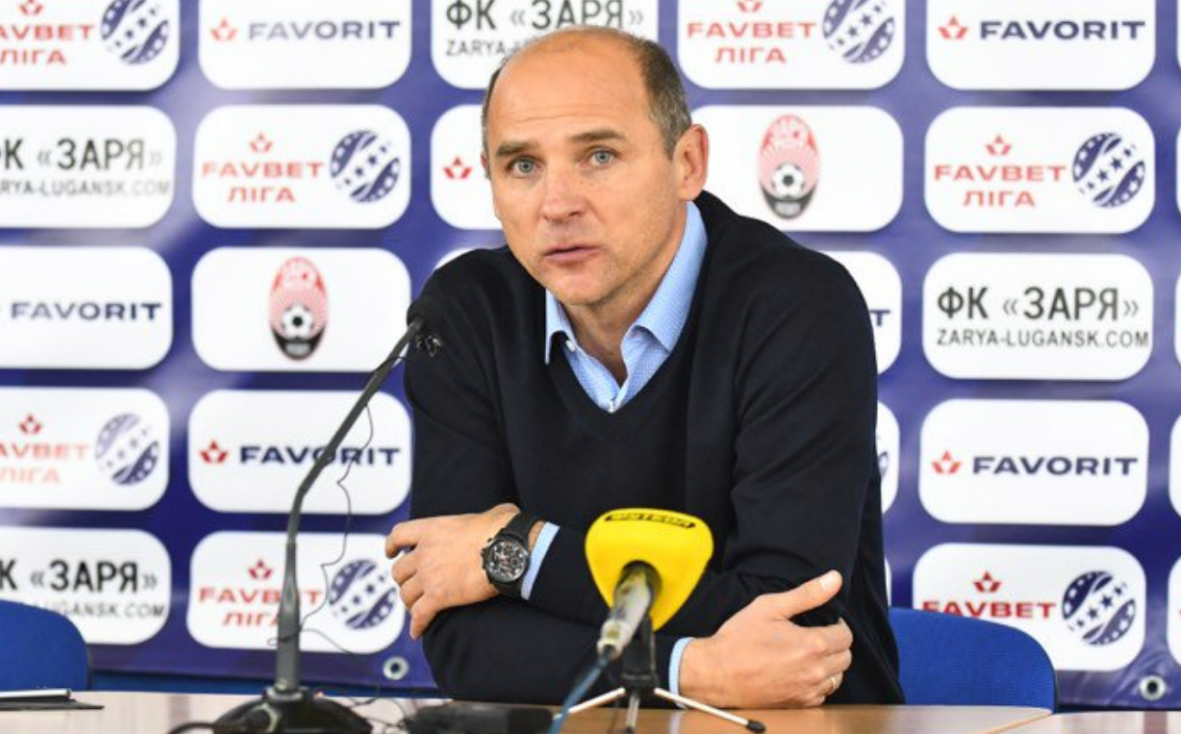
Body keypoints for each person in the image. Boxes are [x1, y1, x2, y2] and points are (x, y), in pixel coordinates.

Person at [385, 26, 902, 709]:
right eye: (523, 166)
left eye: (599, 156)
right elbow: (464, 643)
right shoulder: (465, 313)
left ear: (687, 163)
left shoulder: (798, 306)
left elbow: (789, 622)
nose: (557, 204)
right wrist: (690, 671)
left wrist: (519, 554)